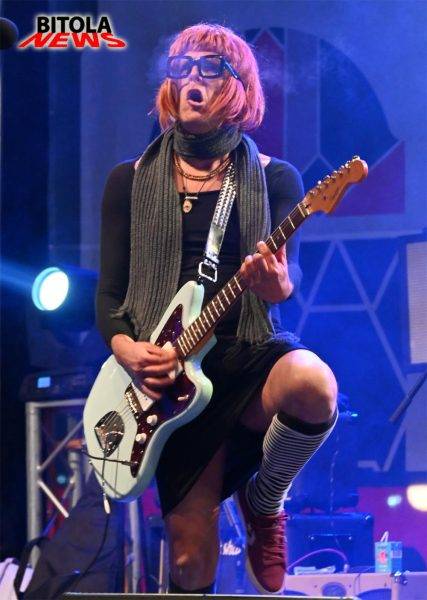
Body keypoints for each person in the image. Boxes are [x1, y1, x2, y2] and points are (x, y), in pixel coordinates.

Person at [26, 22, 338, 597]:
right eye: (181, 67)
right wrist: (127, 348)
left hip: (246, 357)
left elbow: (287, 281)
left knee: (313, 384)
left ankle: (265, 500)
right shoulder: (129, 181)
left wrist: (275, 285)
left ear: (237, 85)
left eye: (209, 68)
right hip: (169, 378)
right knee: (191, 563)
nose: (192, 78)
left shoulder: (276, 178)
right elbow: (109, 296)